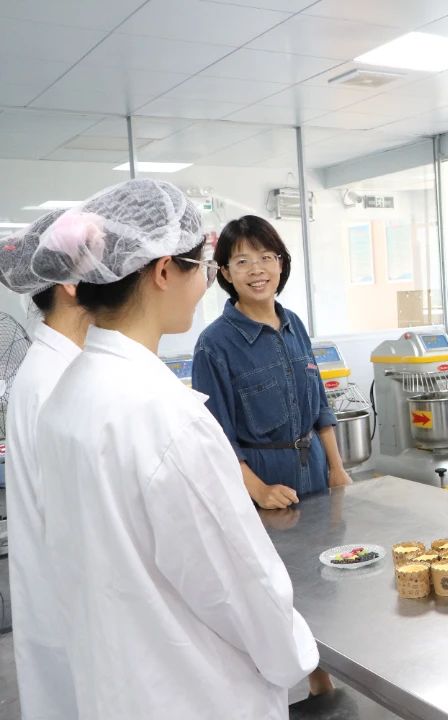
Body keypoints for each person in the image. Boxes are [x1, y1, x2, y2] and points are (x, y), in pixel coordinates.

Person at [31, 179, 318, 719]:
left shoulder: (67, 396)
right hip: (196, 692)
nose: (206, 283)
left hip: (117, 684)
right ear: (164, 271)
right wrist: (297, 657)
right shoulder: (167, 416)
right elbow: (238, 585)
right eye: (203, 267)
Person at [192, 215, 350, 511]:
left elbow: (320, 408)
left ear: (280, 264)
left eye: (266, 257)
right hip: (262, 485)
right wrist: (260, 491)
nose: (257, 270)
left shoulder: (294, 325)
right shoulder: (213, 344)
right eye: (242, 262)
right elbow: (217, 438)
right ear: (226, 272)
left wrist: (336, 468)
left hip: (316, 472)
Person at [0, 210, 87, 720]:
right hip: (71, 607)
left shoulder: (58, 362)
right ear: (73, 284)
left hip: (63, 605)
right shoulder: (55, 378)